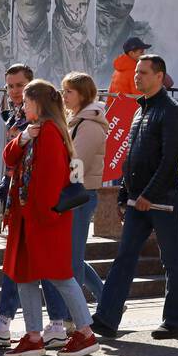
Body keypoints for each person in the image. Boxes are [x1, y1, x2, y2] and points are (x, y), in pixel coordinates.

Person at [0, 63, 71, 347]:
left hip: (34, 205)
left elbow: (45, 170)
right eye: (10, 86)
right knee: (21, 262)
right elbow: (10, 157)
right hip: (17, 196)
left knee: (40, 264)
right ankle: (35, 324)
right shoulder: (18, 116)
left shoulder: (42, 121)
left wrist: (40, 208)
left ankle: (56, 324)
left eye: (19, 87)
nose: (14, 92)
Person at [89, 54, 178, 338]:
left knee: (171, 260)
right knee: (124, 258)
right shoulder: (140, 109)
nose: (137, 77)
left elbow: (170, 159)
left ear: (160, 76)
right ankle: (107, 319)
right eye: (136, 72)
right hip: (138, 200)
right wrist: (124, 194)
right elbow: (130, 157)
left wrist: (148, 194)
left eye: (143, 73)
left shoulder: (172, 111)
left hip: (163, 200)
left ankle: (175, 321)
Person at [0, 80, 101, 356]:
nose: (23, 105)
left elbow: (47, 182)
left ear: (39, 104)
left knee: (60, 276)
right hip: (31, 218)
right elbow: (9, 156)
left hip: (42, 219)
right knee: (26, 276)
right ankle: (33, 336)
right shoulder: (37, 131)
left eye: (27, 102)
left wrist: (37, 215)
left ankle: (85, 333)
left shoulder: (49, 133)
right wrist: (21, 139)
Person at [62, 72, 108, 303]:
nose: (64, 95)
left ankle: (77, 314)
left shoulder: (88, 124)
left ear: (83, 94)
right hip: (78, 193)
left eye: (69, 91)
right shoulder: (77, 120)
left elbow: (78, 165)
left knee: (73, 259)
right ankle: (106, 299)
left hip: (79, 194)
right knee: (73, 256)